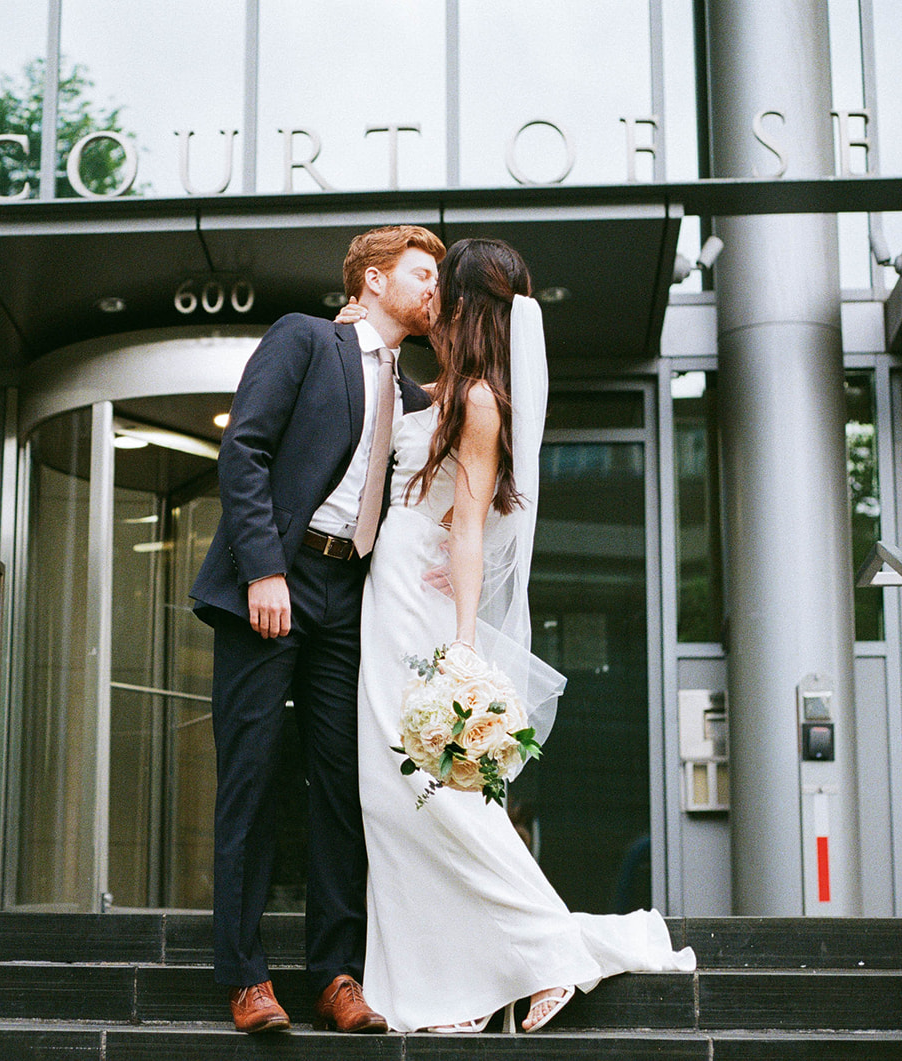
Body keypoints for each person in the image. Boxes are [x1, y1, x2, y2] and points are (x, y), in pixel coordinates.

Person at [340, 237, 696, 1033]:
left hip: (421, 622)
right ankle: (456, 983)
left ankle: (548, 953)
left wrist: (463, 644)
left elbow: (468, 528)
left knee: (442, 800)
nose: (429, 299)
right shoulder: (440, 389)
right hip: (388, 601)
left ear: (465, 308)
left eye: (440, 289)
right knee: (390, 803)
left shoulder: (479, 402)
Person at [190, 224, 446, 1034]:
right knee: (254, 778)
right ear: (372, 279)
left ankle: (338, 974)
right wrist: (264, 567)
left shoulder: (410, 394)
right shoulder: (304, 339)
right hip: (279, 576)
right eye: (422, 273)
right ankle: (246, 978)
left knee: (344, 787)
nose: (434, 288)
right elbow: (247, 450)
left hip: (350, 597)